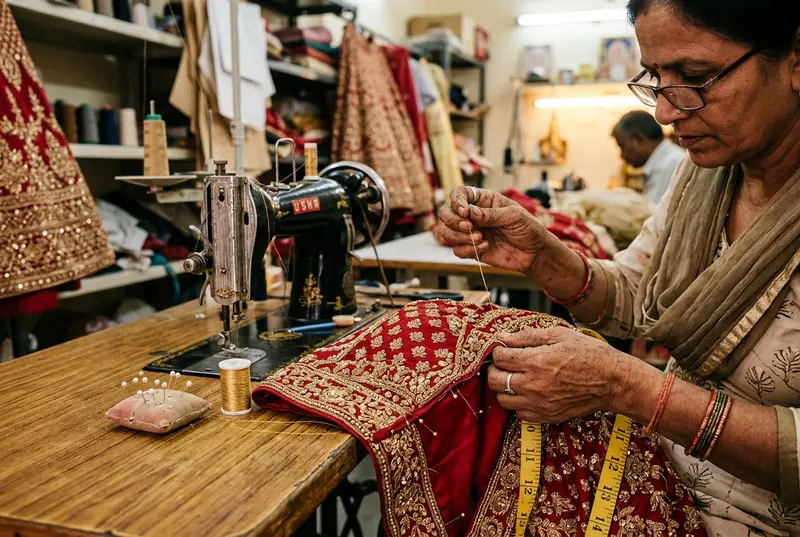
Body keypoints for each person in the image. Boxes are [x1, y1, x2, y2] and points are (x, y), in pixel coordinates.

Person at [437, 0, 800, 534]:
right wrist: (542, 255)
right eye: (656, 78)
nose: (665, 112)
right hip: (660, 473)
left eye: (696, 77)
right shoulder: (703, 176)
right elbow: (639, 294)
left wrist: (633, 389)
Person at [613, 110, 685, 202]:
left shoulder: (667, 166)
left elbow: (653, 213)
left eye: (622, 146)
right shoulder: (667, 160)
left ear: (638, 139)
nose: (622, 155)